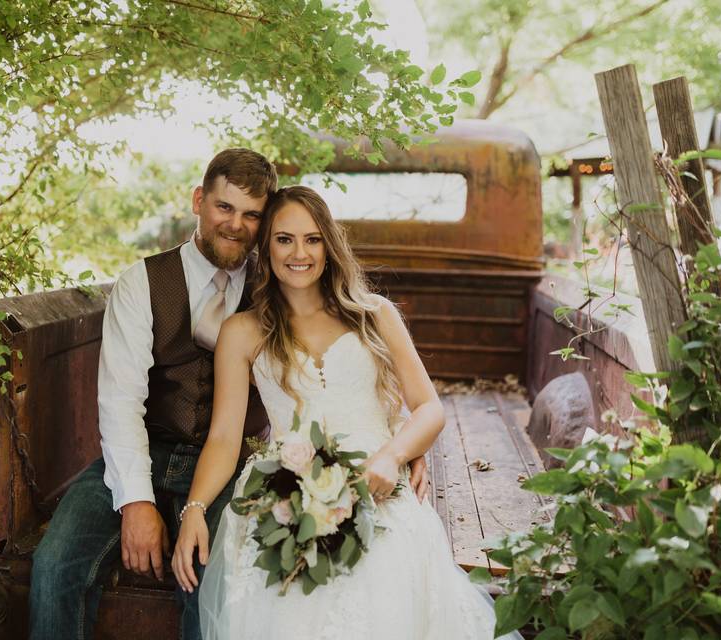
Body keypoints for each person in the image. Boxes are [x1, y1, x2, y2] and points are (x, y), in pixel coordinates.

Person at [29, 151, 432, 640]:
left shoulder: (277, 280)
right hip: (146, 448)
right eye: (224, 208)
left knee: (210, 567)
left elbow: (360, 389)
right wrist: (136, 502)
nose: (236, 225)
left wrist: (401, 443)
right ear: (200, 201)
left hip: (233, 456)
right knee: (53, 565)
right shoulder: (144, 283)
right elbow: (120, 404)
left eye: (251, 215)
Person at [171, 186, 523, 640]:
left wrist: (394, 455)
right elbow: (223, 436)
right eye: (284, 239)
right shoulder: (242, 331)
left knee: (386, 582)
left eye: (312, 239)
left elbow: (429, 408)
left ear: (329, 244)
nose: (300, 253)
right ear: (266, 247)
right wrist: (195, 511)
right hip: (285, 498)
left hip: (378, 490)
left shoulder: (374, 315)